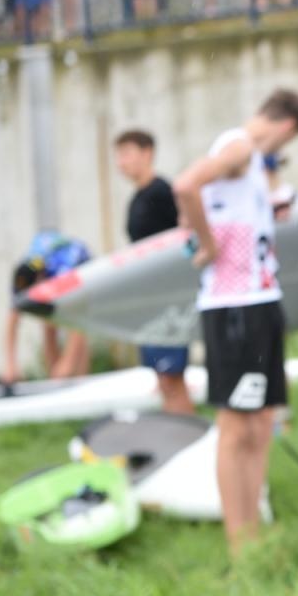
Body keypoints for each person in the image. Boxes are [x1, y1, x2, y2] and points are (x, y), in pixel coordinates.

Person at [172, 90, 298, 554]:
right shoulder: (242, 146)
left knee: (261, 420)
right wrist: (207, 245)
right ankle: (239, 541)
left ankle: (254, 531)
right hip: (235, 306)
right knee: (236, 426)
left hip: (262, 299)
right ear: (287, 126)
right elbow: (186, 186)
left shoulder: (249, 162)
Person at [114, 130, 195, 415]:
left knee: (172, 377)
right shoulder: (137, 198)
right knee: (162, 379)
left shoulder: (163, 193)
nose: (120, 162)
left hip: (169, 300)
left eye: (126, 154)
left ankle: (191, 441)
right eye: (118, 156)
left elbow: (187, 237)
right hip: (149, 299)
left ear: (147, 153)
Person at [5, 230, 92, 384]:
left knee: (74, 336)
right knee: (47, 319)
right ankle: (55, 377)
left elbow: (80, 321)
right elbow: (12, 319)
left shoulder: (64, 272)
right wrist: (10, 364)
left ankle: (81, 379)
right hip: (47, 255)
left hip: (78, 263)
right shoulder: (23, 276)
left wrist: (67, 364)